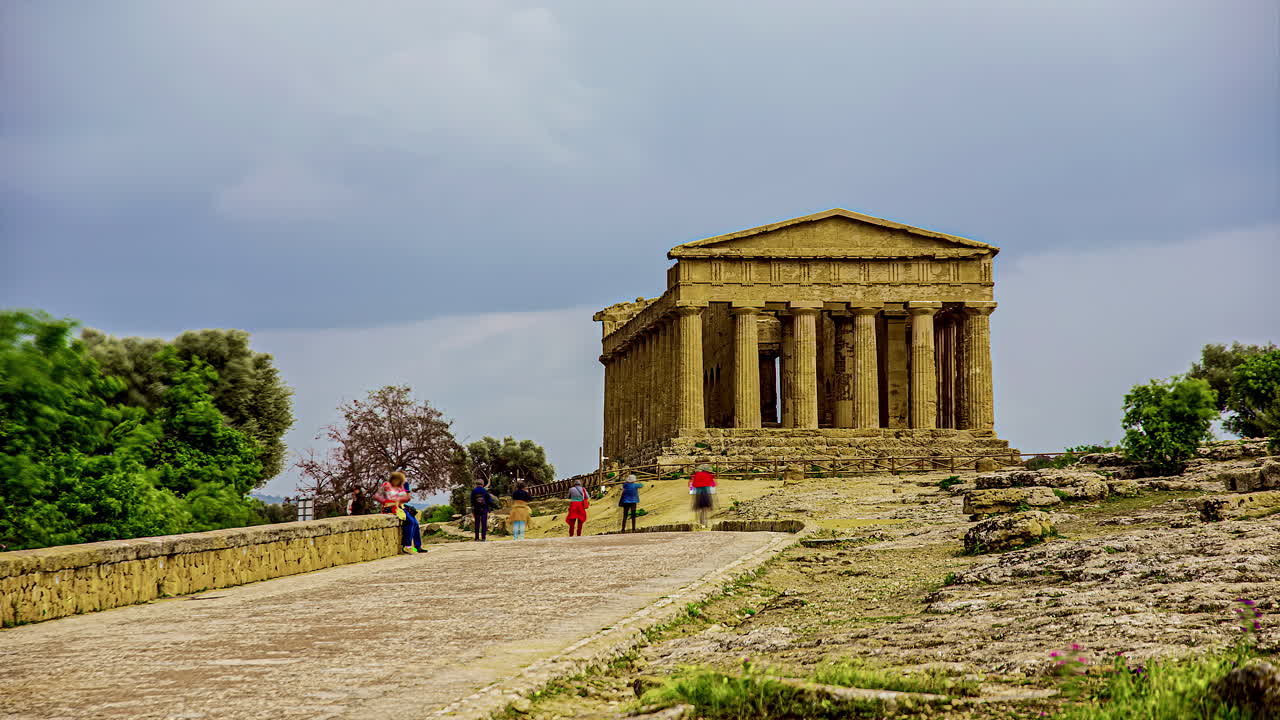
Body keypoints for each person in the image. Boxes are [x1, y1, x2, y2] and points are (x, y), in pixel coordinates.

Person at [375, 471, 422, 554]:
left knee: (415, 522)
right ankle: (407, 545)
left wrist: (399, 499)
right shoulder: (386, 485)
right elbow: (377, 496)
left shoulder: (400, 487)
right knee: (410, 522)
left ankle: (417, 546)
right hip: (390, 508)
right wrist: (387, 501)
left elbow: (406, 498)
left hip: (400, 507)